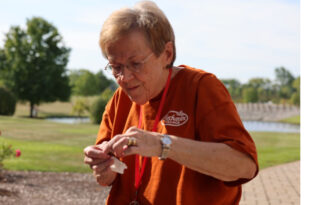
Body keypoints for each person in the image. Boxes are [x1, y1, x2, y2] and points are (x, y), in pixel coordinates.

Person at [83, 1, 259, 204]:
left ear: (167, 54)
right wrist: (103, 168)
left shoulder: (201, 88)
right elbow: (107, 177)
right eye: (116, 67)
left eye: (135, 64)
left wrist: (162, 145)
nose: (124, 78)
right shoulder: (120, 98)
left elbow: (244, 166)